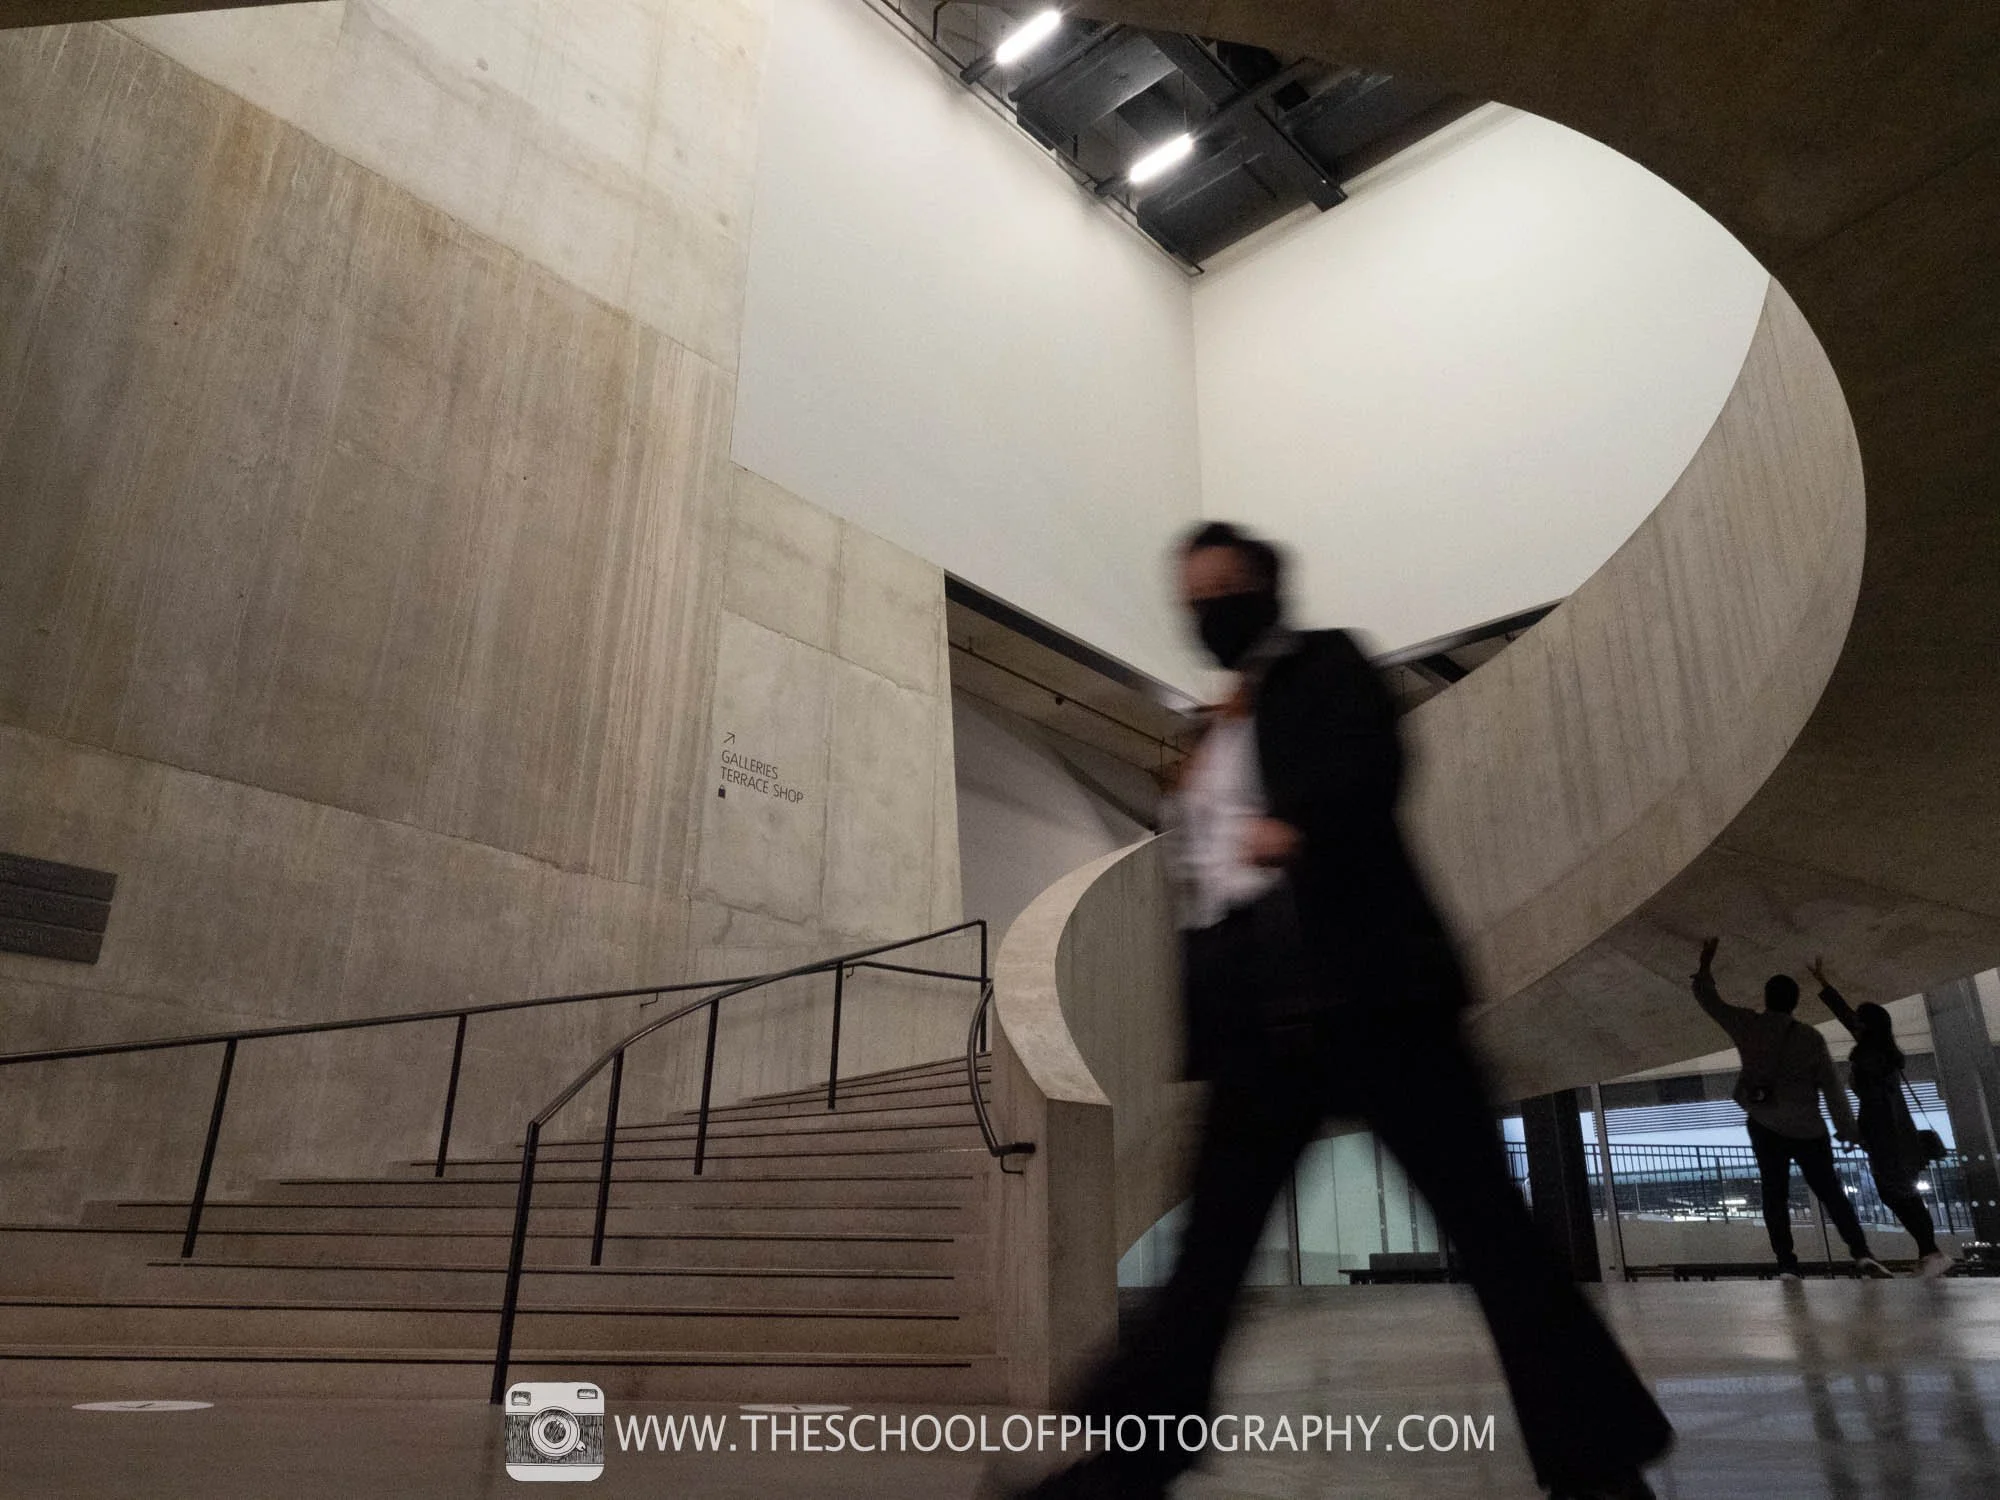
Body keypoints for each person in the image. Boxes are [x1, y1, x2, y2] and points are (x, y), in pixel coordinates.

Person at [1007, 522, 1673, 1500]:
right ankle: (1128, 1464)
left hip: (1377, 1006)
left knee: (1490, 1234)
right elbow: (1204, 895)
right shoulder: (1219, 723)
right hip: (1260, 1031)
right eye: (1191, 597)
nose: (1205, 612)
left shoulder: (1324, 665)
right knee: (1208, 1263)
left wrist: (1293, 823)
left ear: (1264, 590)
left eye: (1221, 590)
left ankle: (1596, 1461)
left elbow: (1371, 768)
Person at [1689, 938, 1891, 1280]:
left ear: (1766, 998)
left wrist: (1706, 964)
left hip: (1765, 1125)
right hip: (1809, 1129)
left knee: (1774, 1194)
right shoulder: (1811, 1038)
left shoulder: (1747, 1025)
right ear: (1796, 1003)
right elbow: (1832, 1089)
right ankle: (1861, 1254)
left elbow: (1711, 1001)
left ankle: (1787, 1265)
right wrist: (1847, 1130)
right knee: (1831, 1193)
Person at [1809, 957, 1953, 1278]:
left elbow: (1875, 1106)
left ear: (1868, 1026)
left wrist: (1858, 1134)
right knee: (1905, 1196)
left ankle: (1932, 1253)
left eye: (1860, 1021)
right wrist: (1824, 984)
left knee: (1898, 1196)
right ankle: (1930, 1254)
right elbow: (1848, 1017)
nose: (1855, 1023)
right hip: (1899, 1137)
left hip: (1887, 1140)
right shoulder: (1880, 1049)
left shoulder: (1871, 1058)